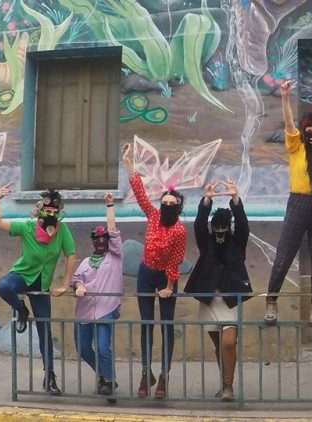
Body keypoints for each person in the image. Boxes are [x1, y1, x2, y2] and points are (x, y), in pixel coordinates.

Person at [265, 80, 312, 327]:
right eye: (310, 130)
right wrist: (285, 97)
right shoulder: (296, 148)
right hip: (298, 203)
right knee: (284, 254)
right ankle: (271, 300)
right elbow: (289, 124)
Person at [0, 185, 76, 395]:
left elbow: (71, 255)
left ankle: (50, 377)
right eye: (48, 211)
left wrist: (65, 284)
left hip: (42, 285)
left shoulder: (62, 230)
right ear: (40, 211)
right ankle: (21, 309)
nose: (51, 215)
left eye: (55, 211)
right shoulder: (27, 227)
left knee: (44, 330)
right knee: (3, 285)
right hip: (22, 276)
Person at [122, 143, 188, 399]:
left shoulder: (179, 231)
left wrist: (169, 287)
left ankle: (164, 375)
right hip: (146, 273)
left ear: (177, 207)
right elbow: (140, 193)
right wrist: (128, 162)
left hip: (166, 276)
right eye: (164, 202)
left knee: (166, 325)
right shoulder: (152, 216)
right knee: (146, 324)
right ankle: (145, 372)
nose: (166, 206)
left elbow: (176, 260)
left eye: (171, 204)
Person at [184, 179, 252, 402]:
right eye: (217, 227)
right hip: (209, 299)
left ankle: (228, 387)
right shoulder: (207, 243)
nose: (221, 230)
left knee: (228, 343)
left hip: (230, 298)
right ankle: (224, 382)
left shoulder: (237, 242)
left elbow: (243, 225)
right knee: (218, 345)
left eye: (224, 227)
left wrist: (235, 199)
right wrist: (207, 200)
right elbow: (198, 225)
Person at [70, 192, 123, 400]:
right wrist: (78, 285)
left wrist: (109, 205)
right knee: (83, 348)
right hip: (84, 310)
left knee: (102, 346)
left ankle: (108, 381)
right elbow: (76, 279)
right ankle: (103, 374)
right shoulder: (85, 262)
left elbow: (113, 230)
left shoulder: (115, 256)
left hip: (106, 308)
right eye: (97, 239)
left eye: (104, 239)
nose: (101, 242)